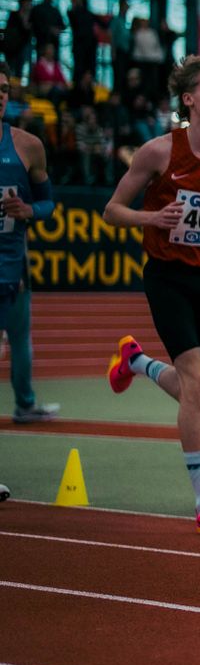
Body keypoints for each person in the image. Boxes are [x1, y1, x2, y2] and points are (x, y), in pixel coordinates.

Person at [102, 57, 200, 537]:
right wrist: (152, 219)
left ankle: (136, 362)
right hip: (168, 276)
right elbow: (112, 211)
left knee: (198, 390)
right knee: (195, 385)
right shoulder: (157, 153)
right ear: (189, 99)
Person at [0, 65, 58, 424]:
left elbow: (48, 204)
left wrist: (28, 210)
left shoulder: (27, 146)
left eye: (4, 89)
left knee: (20, 338)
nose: (0, 96)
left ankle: (25, 403)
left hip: (12, 265)